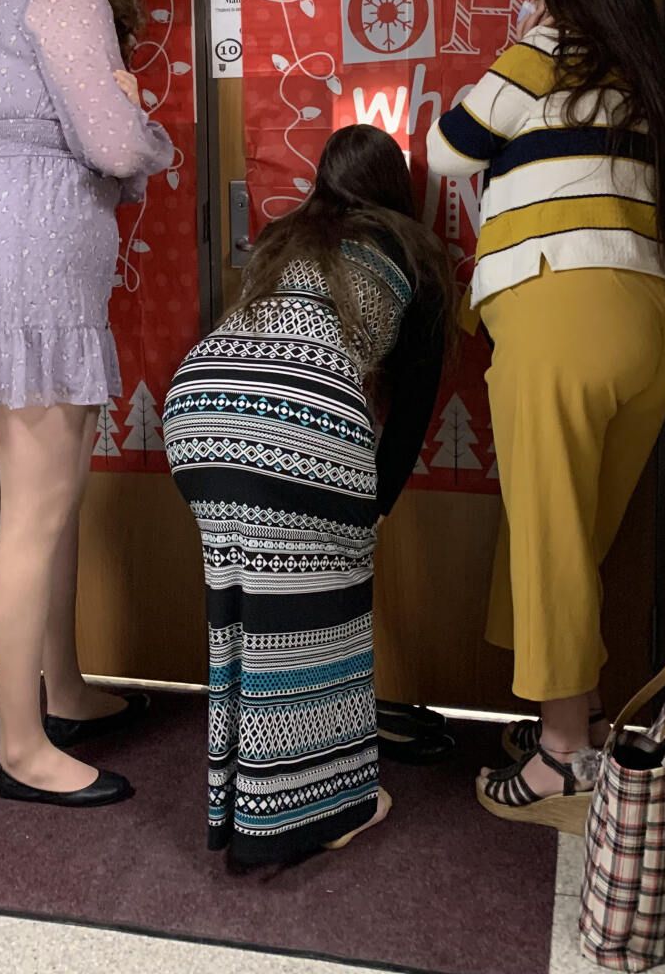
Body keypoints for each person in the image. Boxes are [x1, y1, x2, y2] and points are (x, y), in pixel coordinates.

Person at [427, 0, 665, 831]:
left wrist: (535, 37)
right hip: (656, 316)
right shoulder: (651, 77)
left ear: (563, 6)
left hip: (560, 310)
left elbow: (443, 151)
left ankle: (563, 760)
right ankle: (562, 721)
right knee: (576, 534)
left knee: (551, 538)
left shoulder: (551, 53)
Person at [0, 0, 175, 808]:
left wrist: (118, 122)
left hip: (23, 243)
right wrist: (143, 123)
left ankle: (64, 691)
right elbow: (116, 149)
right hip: (31, 253)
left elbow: (82, 146)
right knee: (37, 509)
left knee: (57, 495)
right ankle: (22, 746)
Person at [164, 125, 451, 864]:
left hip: (200, 407)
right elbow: (413, 407)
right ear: (398, 189)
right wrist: (374, 509)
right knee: (321, 626)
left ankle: (241, 799)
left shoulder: (285, 236)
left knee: (240, 609)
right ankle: (311, 813)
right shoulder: (413, 253)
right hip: (301, 421)